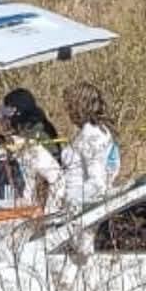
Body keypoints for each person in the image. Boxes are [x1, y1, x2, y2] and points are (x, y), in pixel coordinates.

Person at [58, 82, 121, 212]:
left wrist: (66, 199)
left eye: (69, 106)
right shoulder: (101, 129)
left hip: (80, 211)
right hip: (85, 206)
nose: (67, 111)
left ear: (79, 106)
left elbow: (98, 184)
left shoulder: (91, 136)